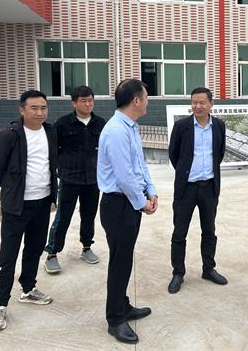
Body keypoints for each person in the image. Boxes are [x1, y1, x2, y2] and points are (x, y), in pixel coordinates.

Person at [0, 90, 58, 332]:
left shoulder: (50, 132)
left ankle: (28, 288)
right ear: (21, 110)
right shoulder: (10, 135)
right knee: (8, 254)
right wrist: (13, 189)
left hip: (42, 203)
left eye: (43, 108)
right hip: (16, 206)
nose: (39, 113)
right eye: (34, 108)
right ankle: (0, 304)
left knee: (34, 248)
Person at [97, 79, 158, 344]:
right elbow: (123, 176)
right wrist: (141, 201)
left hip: (129, 203)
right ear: (136, 100)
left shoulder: (130, 127)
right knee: (119, 263)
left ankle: (122, 306)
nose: (148, 101)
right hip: (118, 204)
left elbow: (139, 164)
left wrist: (151, 190)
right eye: (146, 96)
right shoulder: (116, 131)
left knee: (124, 259)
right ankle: (115, 320)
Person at [167, 87, 227, 294]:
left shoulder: (219, 126)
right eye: (194, 102)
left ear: (211, 104)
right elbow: (174, 155)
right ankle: (178, 272)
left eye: (202, 102)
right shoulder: (181, 126)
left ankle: (208, 269)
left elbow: (219, 154)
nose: (197, 106)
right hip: (186, 188)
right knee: (179, 232)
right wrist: (186, 172)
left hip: (209, 187)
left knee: (209, 231)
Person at [44, 86, 106, 273]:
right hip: (69, 178)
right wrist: (60, 168)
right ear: (74, 103)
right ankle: (52, 253)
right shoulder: (63, 124)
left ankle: (86, 247)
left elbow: (105, 150)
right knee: (63, 216)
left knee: (89, 215)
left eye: (90, 100)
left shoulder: (100, 123)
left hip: (92, 179)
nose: (88, 104)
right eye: (83, 101)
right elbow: (53, 150)